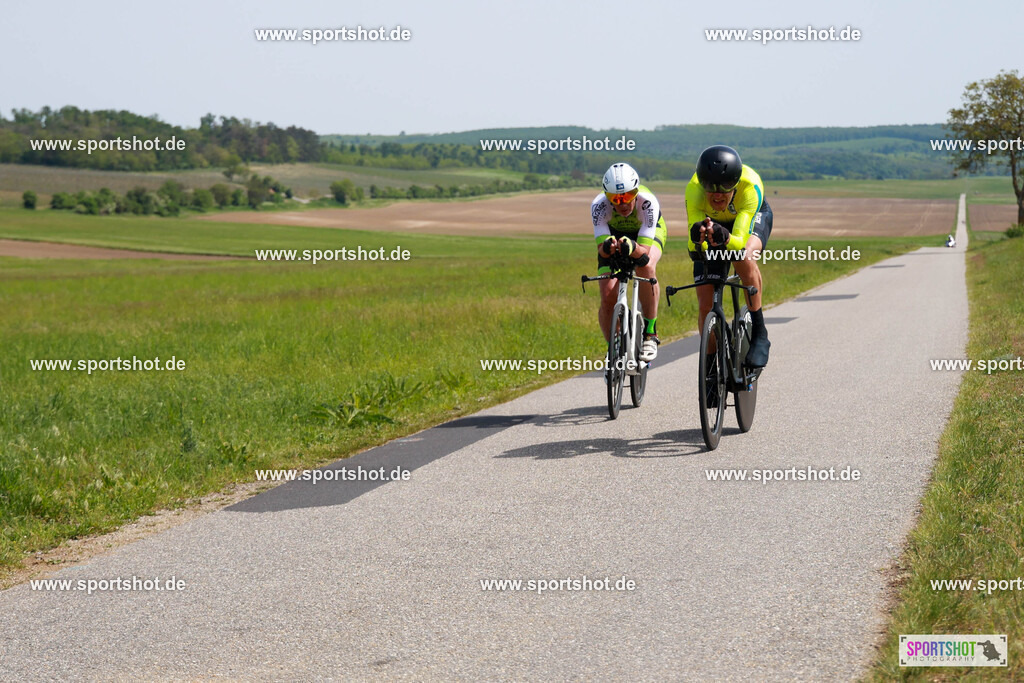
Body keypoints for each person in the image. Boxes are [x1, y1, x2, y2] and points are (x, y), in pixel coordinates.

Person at [686, 146, 773, 393]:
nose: (717, 194)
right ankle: (711, 366)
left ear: (735, 183)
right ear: (702, 183)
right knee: (705, 302)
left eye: (725, 187)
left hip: (746, 221)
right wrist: (698, 236)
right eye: (710, 187)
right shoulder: (694, 189)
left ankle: (759, 332)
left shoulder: (750, 187)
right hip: (715, 224)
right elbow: (693, 245)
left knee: (743, 255)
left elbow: (738, 240)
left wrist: (724, 237)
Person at [591, 162, 667, 362]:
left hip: (647, 234)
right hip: (615, 234)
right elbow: (602, 250)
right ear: (607, 197)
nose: (622, 204)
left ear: (636, 192)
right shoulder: (598, 206)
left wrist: (632, 247)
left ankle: (650, 333)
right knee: (607, 294)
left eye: (627, 196)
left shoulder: (647, 202)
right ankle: (614, 348)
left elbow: (643, 254)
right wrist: (609, 247)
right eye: (616, 199)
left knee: (645, 266)